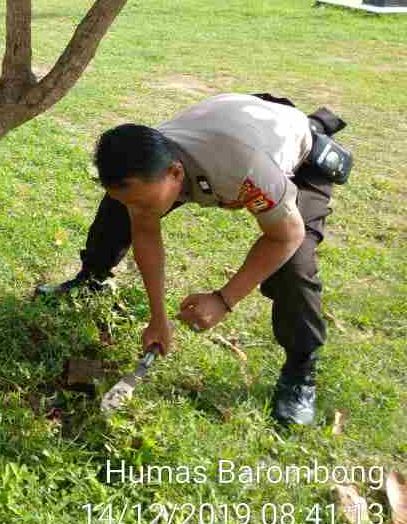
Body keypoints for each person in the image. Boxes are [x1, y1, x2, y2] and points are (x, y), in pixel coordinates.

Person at [37, 93, 351, 426]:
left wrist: (223, 300)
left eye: (143, 202)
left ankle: (301, 370)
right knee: (118, 208)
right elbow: (145, 232)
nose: (139, 210)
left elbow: (285, 237)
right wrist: (158, 317)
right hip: (236, 124)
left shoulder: (246, 171)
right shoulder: (146, 164)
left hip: (295, 154)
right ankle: (93, 279)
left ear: (175, 173)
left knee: (293, 267)